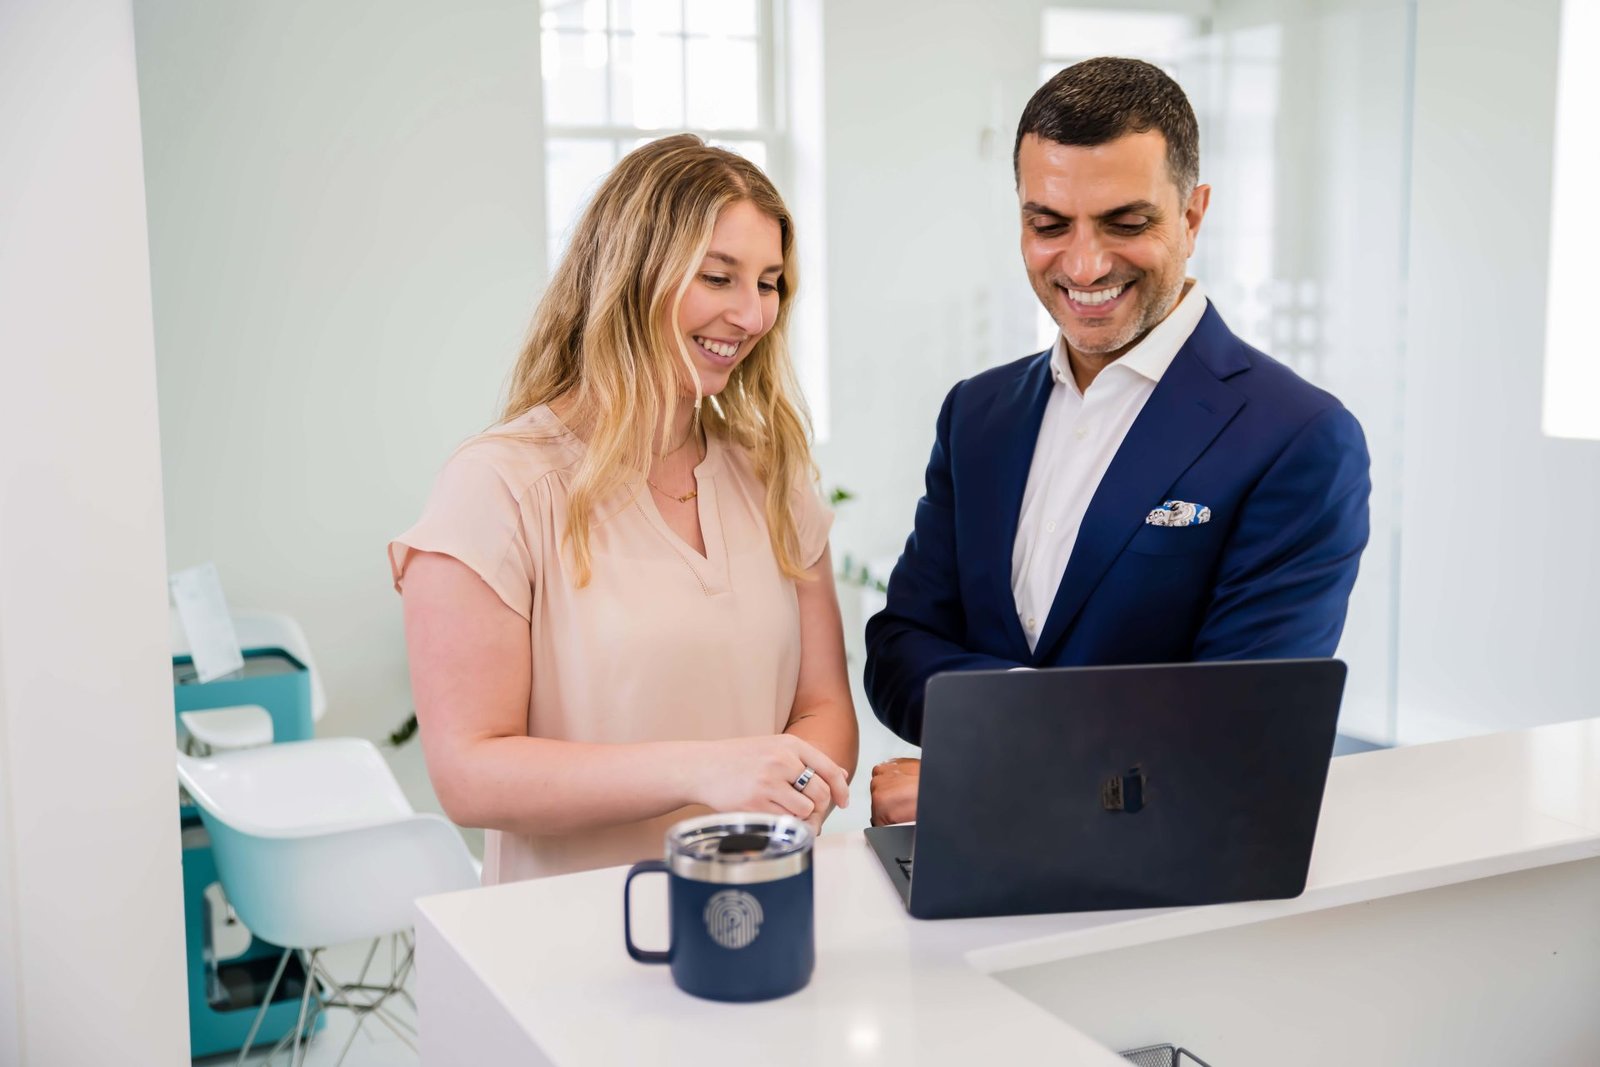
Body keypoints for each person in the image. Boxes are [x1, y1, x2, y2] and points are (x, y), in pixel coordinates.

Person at [865, 58, 1370, 826]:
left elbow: (1240, 734)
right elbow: (901, 647)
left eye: (1126, 223)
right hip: (956, 883)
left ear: (1193, 216)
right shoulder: (979, 412)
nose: (1085, 264)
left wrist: (989, 765)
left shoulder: (1298, 438)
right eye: (1048, 224)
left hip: (1161, 896)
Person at [390, 135, 857, 882]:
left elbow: (825, 703)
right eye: (719, 276)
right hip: (568, 944)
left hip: (760, 909)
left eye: (769, 283)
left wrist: (783, 790)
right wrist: (705, 773)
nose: (752, 313)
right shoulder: (498, 485)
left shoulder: (774, 478)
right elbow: (469, 772)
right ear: (630, 276)